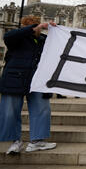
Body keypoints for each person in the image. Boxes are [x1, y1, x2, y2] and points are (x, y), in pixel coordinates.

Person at [0, 16, 57, 154]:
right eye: (32, 26)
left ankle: (37, 141)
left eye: (36, 25)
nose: (36, 29)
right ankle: (15, 142)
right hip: (14, 80)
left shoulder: (44, 41)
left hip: (38, 81)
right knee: (10, 112)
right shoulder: (15, 39)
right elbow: (7, 36)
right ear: (25, 27)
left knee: (42, 109)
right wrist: (33, 28)